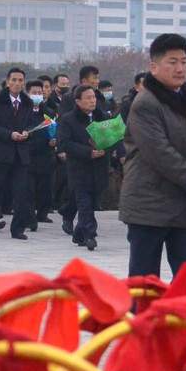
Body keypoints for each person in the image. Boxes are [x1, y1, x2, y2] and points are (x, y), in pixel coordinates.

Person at [119, 34, 186, 277]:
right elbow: (159, 152)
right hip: (149, 205)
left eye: (184, 61)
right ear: (154, 67)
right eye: (172, 62)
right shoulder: (146, 103)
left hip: (183, 204)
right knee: (145, 282)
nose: (180, 68)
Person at [0, 68, 34, 240]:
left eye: (21, 80)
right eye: (14, 80)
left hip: (21, 154)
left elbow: (32, 123)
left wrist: (27, 132)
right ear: (8, 81)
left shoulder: (27, 102)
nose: (18, 83)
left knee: (22, 193)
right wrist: (9, 134)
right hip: (0, 152)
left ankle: (18, 229)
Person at [58, 85, 111, 250]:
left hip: (99, 168)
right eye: (88, 97)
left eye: (94, 97)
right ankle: (90, 235)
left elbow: (113, 138)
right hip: (79, 168)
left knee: (93, 202)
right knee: (84, 204)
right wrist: (88, 152)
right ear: (78, 101)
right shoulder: (68, 119)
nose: (92, 101)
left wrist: (106, 149)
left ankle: (79, 234)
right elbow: (65, 143)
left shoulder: (103, 117)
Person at [25, 79, 58, 228]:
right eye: (34, 93)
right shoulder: (23, 111)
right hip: (29, 154)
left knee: (46, 187)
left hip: (46, 154)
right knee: (29, 189)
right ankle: (30, 217)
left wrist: (54, 140)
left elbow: (56, 130)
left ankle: (42, 213)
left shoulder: (49, 112)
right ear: (28, 94)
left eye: (40, 92)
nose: (38, 95)